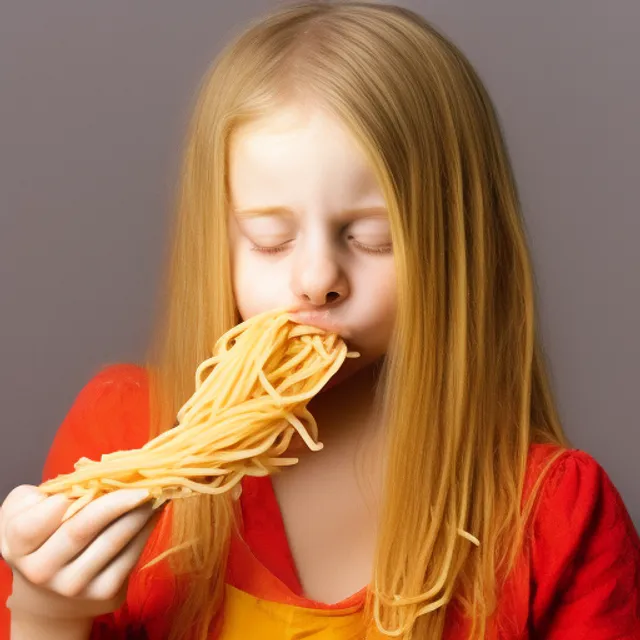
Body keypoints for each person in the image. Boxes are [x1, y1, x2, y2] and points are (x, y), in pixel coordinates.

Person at [1, 1, 639, 638]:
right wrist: (46, 612)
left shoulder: (554, 512)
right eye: (271, 238)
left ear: (458, 250)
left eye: (372, 237)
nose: (316, 280)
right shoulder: (124, 431)